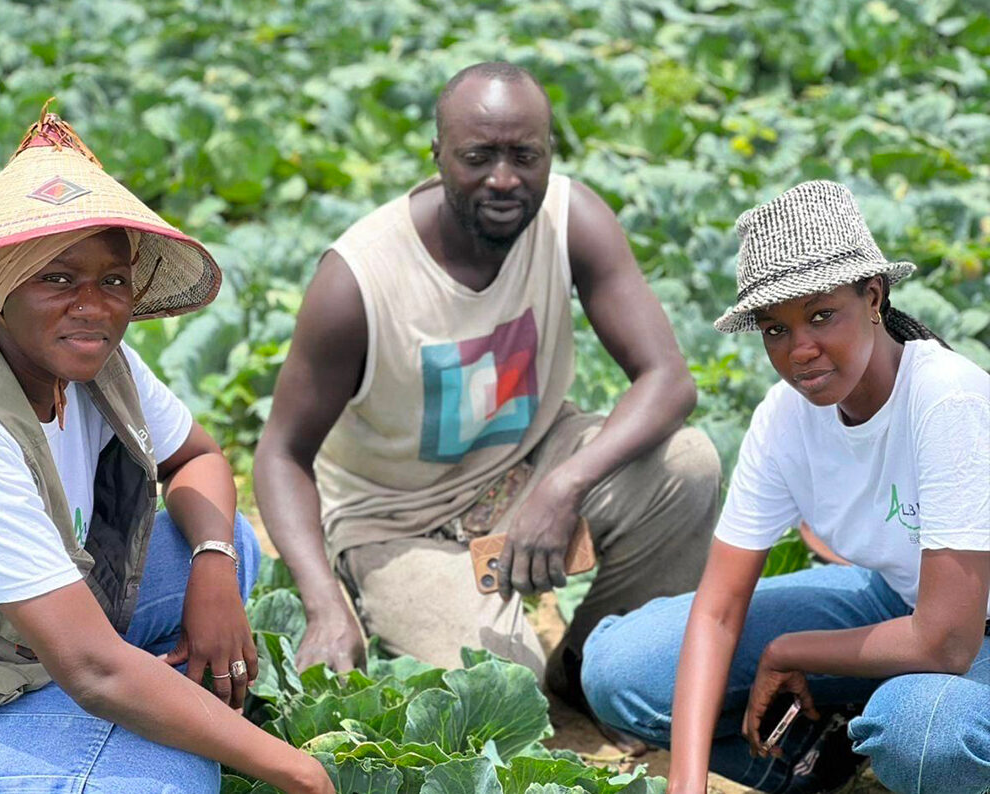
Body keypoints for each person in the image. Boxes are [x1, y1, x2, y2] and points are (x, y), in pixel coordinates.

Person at [252, 61, 721, 741]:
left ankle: (590, 667)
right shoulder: (359, 281)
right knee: (501, 686)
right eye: (478, 157)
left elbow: (668, 379)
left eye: (524, 155)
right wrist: (322, 603)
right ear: (437, 155)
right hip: (398, 521)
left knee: (689, 464)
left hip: (528, 465)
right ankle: (376, 599)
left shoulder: (570, 220)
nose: (504, 178)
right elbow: (280, 454)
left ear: (550, 153)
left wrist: (561, 487)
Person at [0, 108, 332, 794]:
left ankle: (133, 702)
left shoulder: (100, 362)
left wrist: (215, 570)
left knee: (231, 542)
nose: (94, 306)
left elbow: (198, 459)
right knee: (167, 777)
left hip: (46, 627)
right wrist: (297, 768)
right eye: (56, 279)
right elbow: (94, 671)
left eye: (112, 280)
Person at [580, 181, 990, 794]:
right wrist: (684, 782)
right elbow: (717, 610)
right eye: (775, 329)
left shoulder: (945, 397)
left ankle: (901, 752)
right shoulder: (786, 416)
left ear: (873, 296)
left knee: (922, 732)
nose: (800, 350)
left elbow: (946, 641)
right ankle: (824, 762)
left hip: (964, 637)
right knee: (624, 667)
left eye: (822, 316)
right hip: (896, 602)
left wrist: (791, 649)